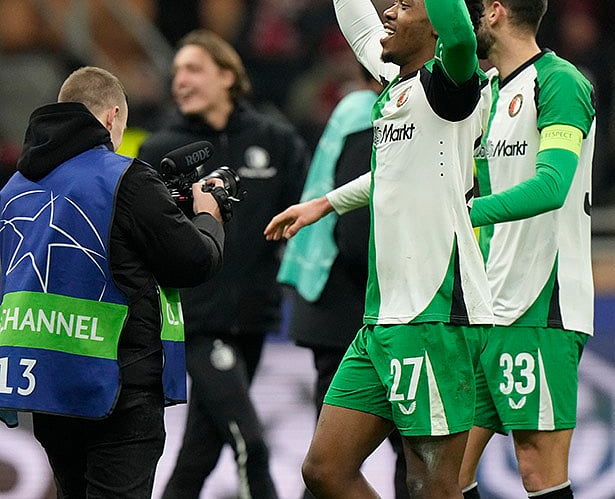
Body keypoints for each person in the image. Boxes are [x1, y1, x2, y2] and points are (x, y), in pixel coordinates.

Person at [266, 0, 492, 497]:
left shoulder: (455, 90)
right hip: (380, 316)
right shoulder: (396, 88)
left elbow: (459, 34)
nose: (388, 13)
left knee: (430, 481)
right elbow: (361, 24)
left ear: (440, 28)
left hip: (437, 311)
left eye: (404, 3)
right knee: (324, 470)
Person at [0, 66, 225, 497]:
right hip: (118, 387)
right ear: (111, 117)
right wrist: (208, 217)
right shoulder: (123, 176)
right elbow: (194, 262)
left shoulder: (13, 187)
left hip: (47, 390)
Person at [138, 30, 309, 499]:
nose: (180, 81)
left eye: (193, 69)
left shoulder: (277, 142)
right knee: (250, 443)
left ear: (228, 76)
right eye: (176, 73)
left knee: (198, 455)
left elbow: (306, 216)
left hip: (255, 319)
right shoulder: (159, 153)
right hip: (195, 322)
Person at [455, 0, 596, 499]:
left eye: (470, 5)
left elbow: (551, 186)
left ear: (493, 12)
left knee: (536, 469)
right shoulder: (486, 93)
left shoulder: (559, 83)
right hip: (490, 302)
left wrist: (466, 214)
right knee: (447, 473)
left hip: (543, 302)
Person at [277, 71, 410, 499]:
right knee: (401, 457)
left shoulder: (353, 108)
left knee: (330, 464)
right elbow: (357, 234)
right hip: (350, 310)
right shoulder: (371, 117)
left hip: (329, 302)